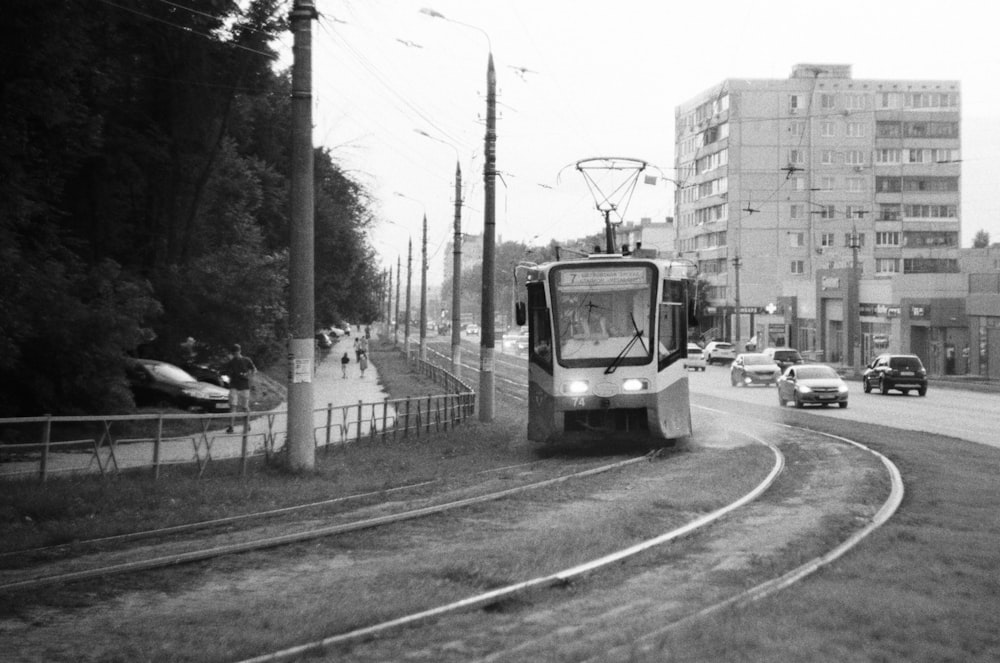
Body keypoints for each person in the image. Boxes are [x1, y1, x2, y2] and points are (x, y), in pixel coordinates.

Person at [223, 344, 256, 433]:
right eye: (234, 353)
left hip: (244, 386)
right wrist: (229, 374)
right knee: (233, 405)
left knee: (244, 407)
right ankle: (231, 426)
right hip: (234, 385)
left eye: (237, 352)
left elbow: (254, 370)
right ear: (232, 353)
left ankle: (247, 424)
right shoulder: (231, 362)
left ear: (240, 351)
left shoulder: (246, 360)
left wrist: (247, 375)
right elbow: (226, 372)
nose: (235, 354)